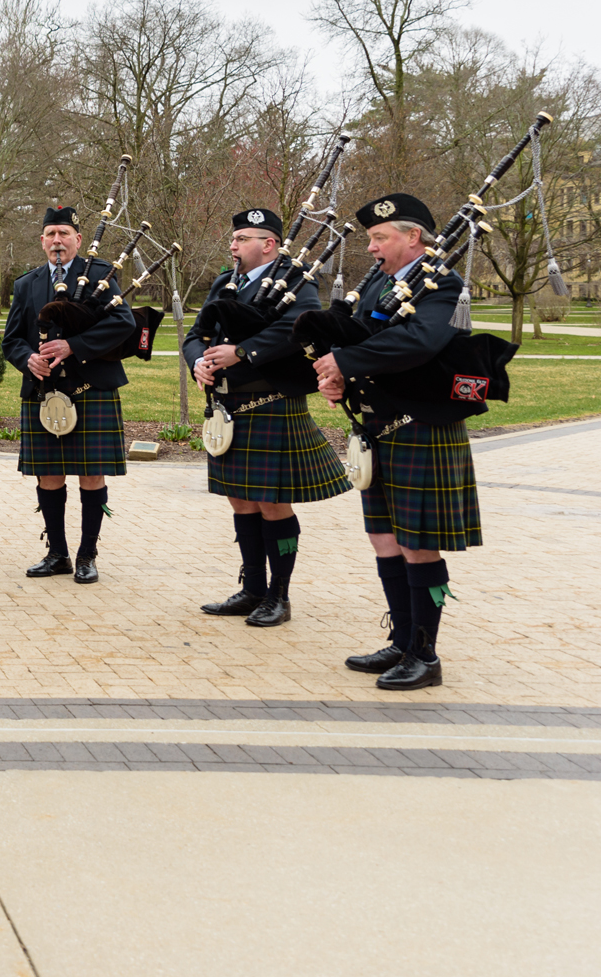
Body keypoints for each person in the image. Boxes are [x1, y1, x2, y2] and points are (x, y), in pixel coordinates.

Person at [314, 193, 482, 691]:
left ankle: (425, 656)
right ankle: (403, 639)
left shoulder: (444, 288)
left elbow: (420, 343)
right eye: (369, 238)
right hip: (377, 428)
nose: (370, 247)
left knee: (418, 545)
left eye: (379, 237)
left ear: (413, 238)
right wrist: (336, 376)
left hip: (423, 429)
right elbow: (358, 341)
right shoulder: (379, 289)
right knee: (384, 539)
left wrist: (348, 363)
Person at [183, 208, 350, 628]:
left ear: (269, 244)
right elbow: (195, 336)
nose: (233, 245)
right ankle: (253, 588)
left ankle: (280, 596)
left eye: (241, 239)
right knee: (240, 499)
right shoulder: (226, 282)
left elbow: (297, 325)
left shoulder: (298, 282)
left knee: (272, 502)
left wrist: (241, 351)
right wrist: (197, 364)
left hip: (271, 404)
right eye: (234, 238)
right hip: (228, 407)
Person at [1, 206, 137, 585]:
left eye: (64, 233)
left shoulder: (101, 274)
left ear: (78, 239)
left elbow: (124, 323)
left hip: (90, 387)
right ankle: (57, 553)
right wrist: (28, 359)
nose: (57, 240)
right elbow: (11, 339)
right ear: (42, 241)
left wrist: (73, 346)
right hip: (44, 391)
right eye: (51, 234)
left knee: (91, 475)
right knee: (48, 475)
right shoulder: (26, 284)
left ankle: (87, 555)